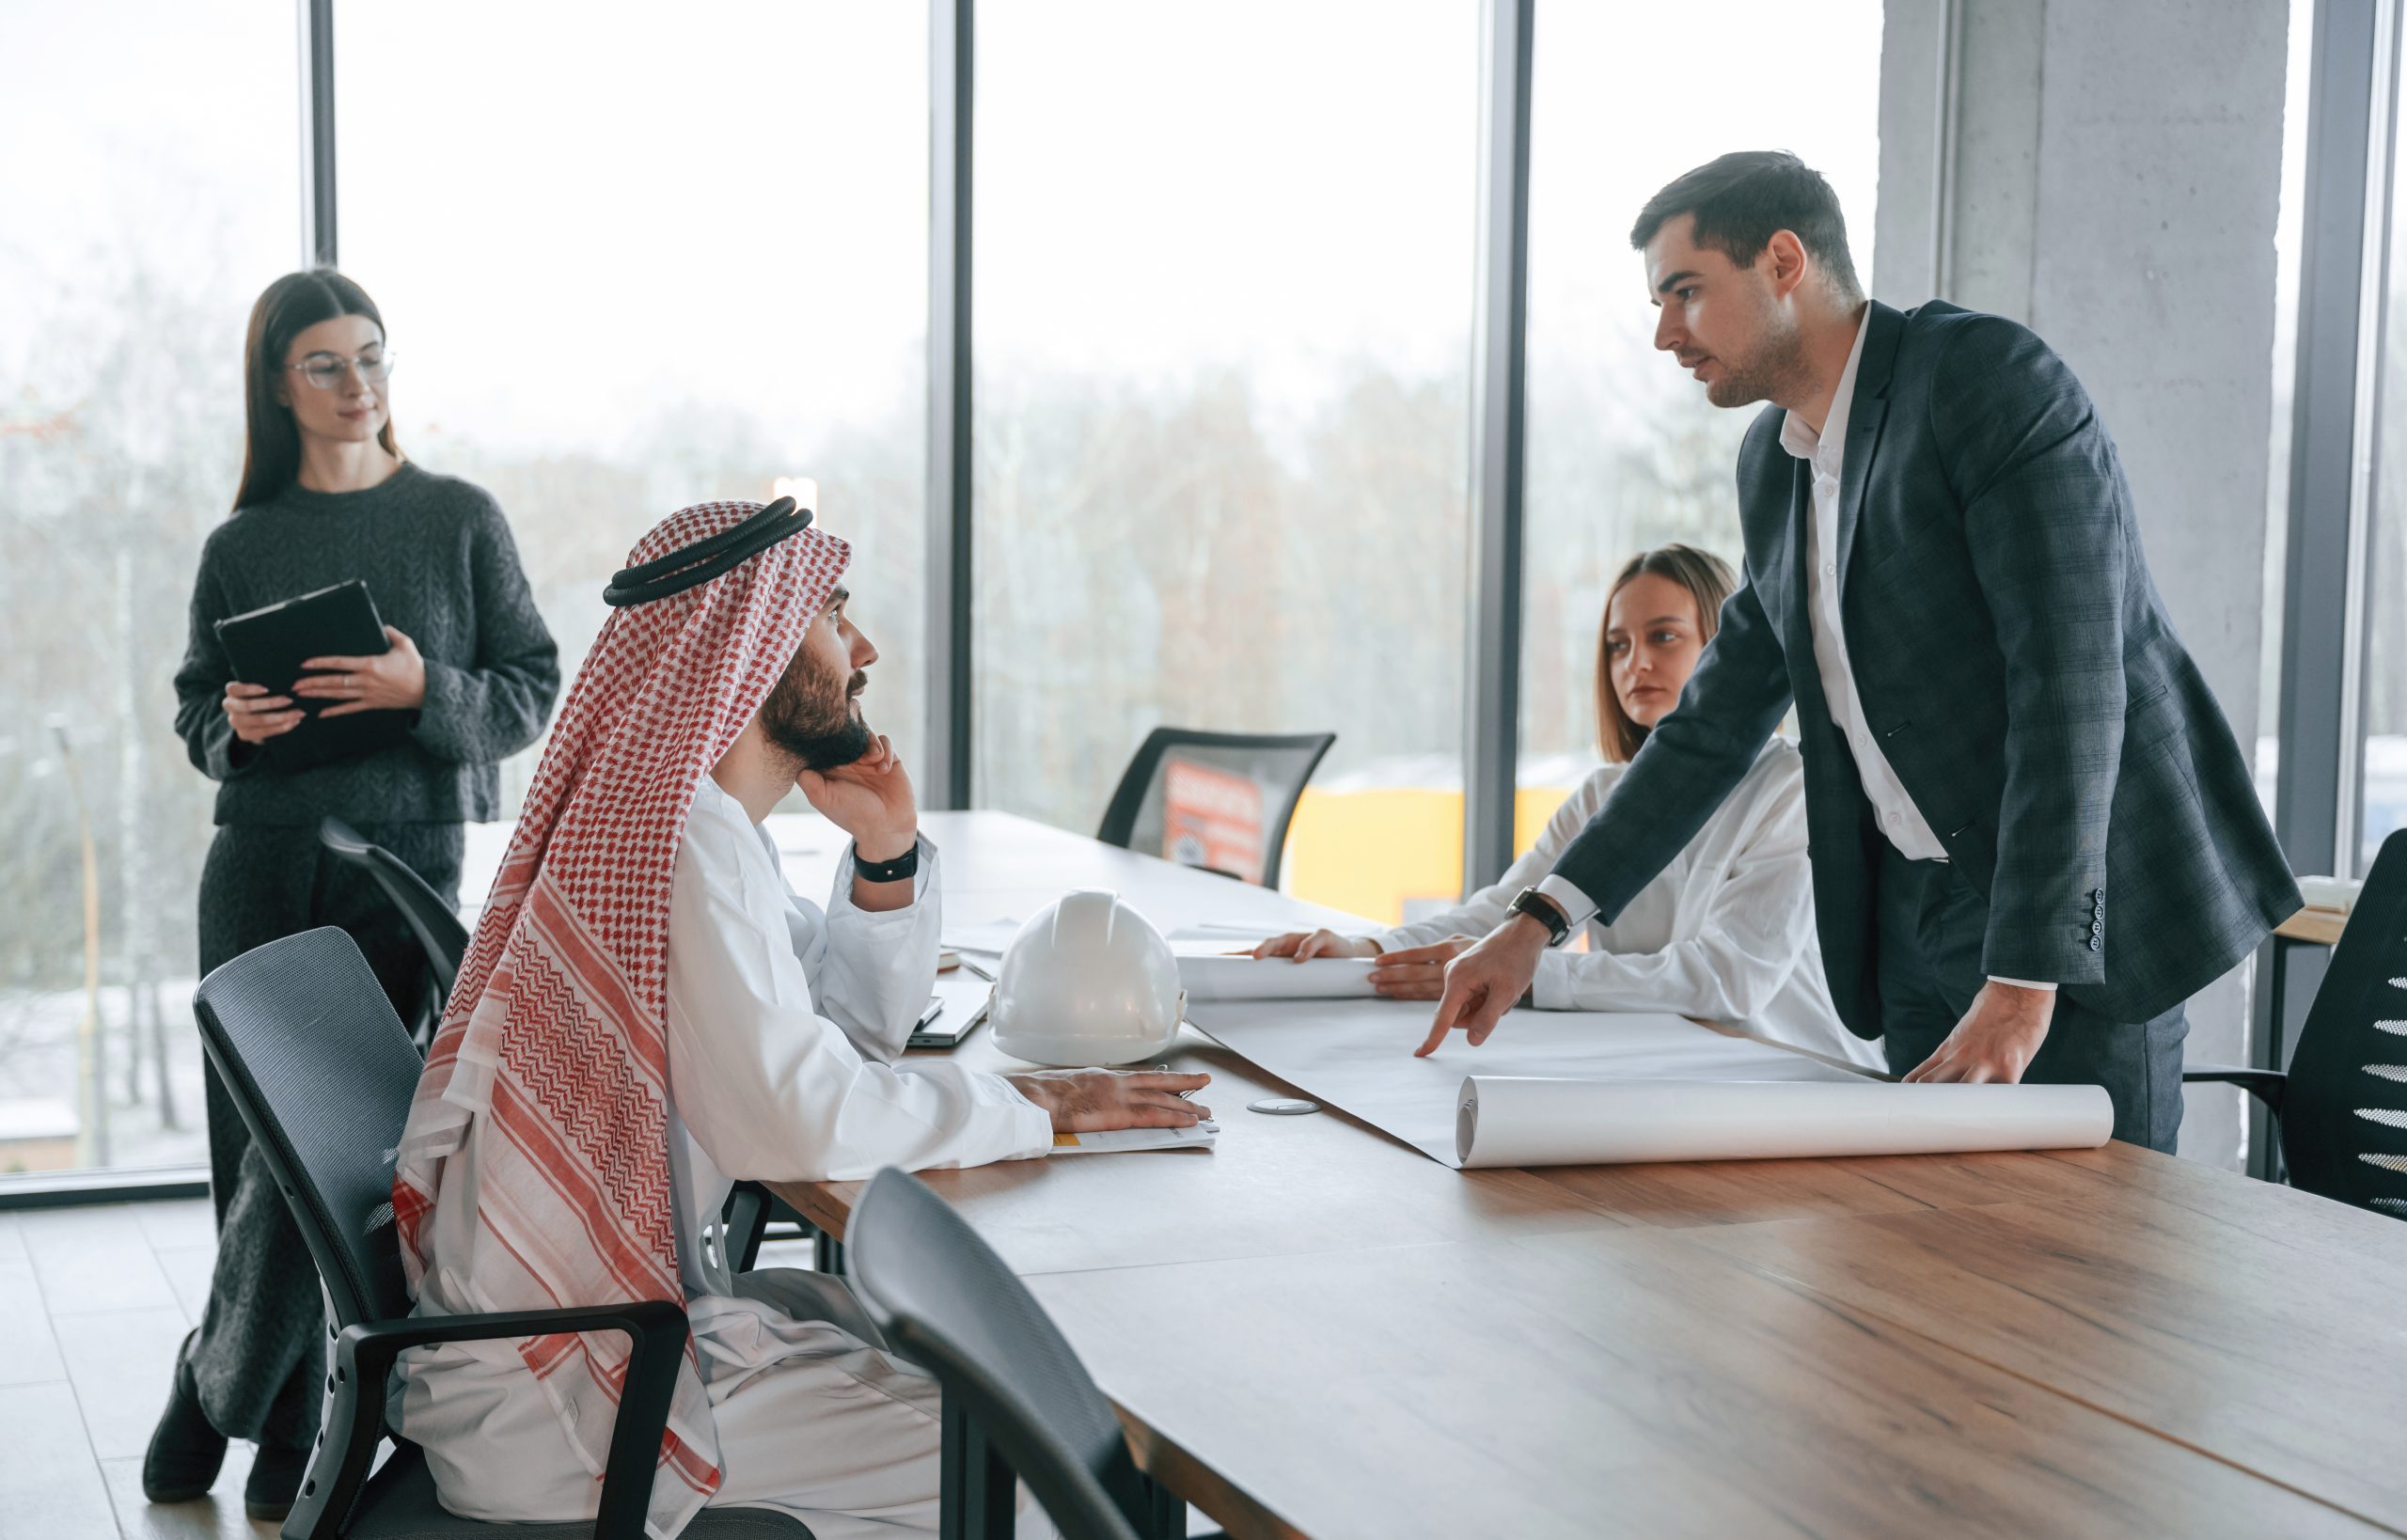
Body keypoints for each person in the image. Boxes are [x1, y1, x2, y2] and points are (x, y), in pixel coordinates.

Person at [1424, 151, 2299, 1153]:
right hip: (1915, 921)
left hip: (2061, 928)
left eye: (1685, 293)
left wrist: (2021, 985)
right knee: (1927, 1256)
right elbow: (1710, 727)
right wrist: (1536, 924)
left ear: (1783, 261)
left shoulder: (1983, 383)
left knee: (2088, 1274)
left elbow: (2070, 689)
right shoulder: (1774, 460)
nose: (1664, 333)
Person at [388, 498, 1210, 1538]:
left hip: (603, 1338)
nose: (862, 650)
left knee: (1033, 1393)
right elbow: (796, 1118)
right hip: (582, 1387)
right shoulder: (679, 849)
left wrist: (886, 850)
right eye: (830, 614)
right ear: (749, 643)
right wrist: (1032, 1105)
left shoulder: (693, 831)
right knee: (1059, 1473)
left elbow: (838, 1042)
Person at [148, 270, 559, 1518]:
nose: (357, 382)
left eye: (371, 354)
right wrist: (236, 720)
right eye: (324, 362)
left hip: (407, 869)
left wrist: (418, 690)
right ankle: (287, 1415)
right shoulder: (241, 541)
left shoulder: (460, 516)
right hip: (264, 862)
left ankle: (216, 1387)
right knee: (260, 1156)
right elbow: (192, 709)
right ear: (278, 385)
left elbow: (531, 691)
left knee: (347, 1166)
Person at [1255, 543, 1880, 1071]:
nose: (1636, 663)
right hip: (1664, 1072)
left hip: (1793, 1081)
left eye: (1664, 636)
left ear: (1725, 648)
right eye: (1616, 645)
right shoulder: (1603, 796)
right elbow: (1501, 916)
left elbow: (1728, 981)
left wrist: (1532, 976)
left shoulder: (1792, 787)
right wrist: (1367, 951)